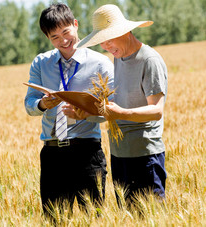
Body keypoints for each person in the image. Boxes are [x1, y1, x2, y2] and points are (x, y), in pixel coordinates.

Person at [24, 3, 114, 218]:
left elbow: (111, 110)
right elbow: (29, 105)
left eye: (66, 32)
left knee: (93, 217)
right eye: (54, 37)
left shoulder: (100, 63)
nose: (63, 41)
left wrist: (86, 114)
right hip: (53, 153)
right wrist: (43, 105)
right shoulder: (40, 63)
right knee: (54, 220)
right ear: (47, 38)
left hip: (87, 152)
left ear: (75, 24)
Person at [75, 4, 168, 208]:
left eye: (109, 39)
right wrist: (88, 114)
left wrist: (122, 112)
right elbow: (117, 110)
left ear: (125, 32)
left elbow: (156, 110)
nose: (106, 46)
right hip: (119, 155)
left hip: (145, 156)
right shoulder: (119, 58)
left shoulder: (149, 60)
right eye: (101, 42)